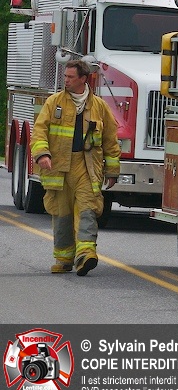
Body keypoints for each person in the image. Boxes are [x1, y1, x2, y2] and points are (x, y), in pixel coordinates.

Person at [31, 59, 120, 276]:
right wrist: (42, 154)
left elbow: (110, 140)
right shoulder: (54, 102)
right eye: (65, 76)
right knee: (62, 214)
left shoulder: (99, 106)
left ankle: (86, 255)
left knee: (88, 209)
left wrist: (112, 170)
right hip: (59, 167)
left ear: (83, 79)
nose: (66, 80)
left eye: (70, 77)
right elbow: (39, 131)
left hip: (86, 166)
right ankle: (63, 259)